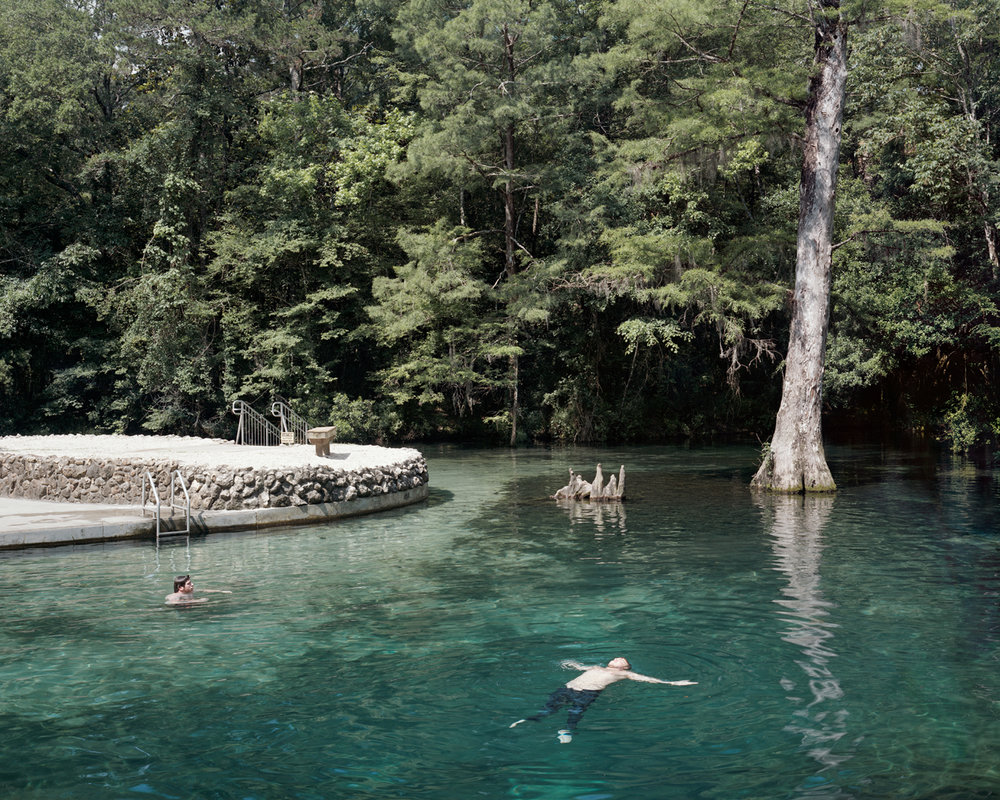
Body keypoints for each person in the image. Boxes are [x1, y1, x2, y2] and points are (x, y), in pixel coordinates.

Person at [510, 657, 696, 743]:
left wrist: (674, 683)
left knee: (575, 712)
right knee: (549, 709)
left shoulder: (628, 675)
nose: (617, 658)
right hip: (568, 687)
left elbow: (650, 680)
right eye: (616, 658)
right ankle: (529, 719)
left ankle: (567, 730)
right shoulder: (595, 666)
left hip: (588, 692)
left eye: (621, 660)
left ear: (625, 667)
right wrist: (570, 663)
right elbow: (578, 666)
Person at [165, 575, 230, 605]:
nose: (192, 584)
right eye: (189, 584)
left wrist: (221, 591)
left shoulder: (190, 592)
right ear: (180, 588)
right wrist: (197, 601)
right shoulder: (174, 596)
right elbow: (170, 603)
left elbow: (203, 590)